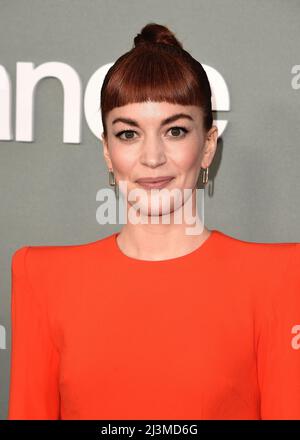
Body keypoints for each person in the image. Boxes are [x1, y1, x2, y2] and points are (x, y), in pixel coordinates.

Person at [7, 23, 300, 420]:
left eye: (175, 130)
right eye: (128, 134)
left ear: (209, 145)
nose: (152, 157)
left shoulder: (281, 276)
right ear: (108, 153)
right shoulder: (39, 276)